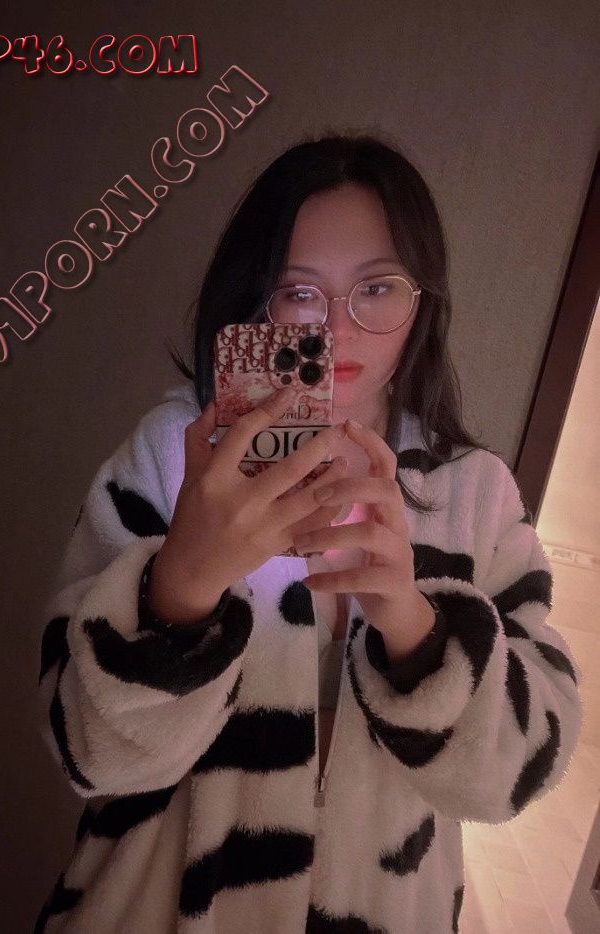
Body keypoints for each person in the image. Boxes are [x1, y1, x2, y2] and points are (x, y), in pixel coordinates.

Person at [34, 133, 584, 933]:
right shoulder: (173, 459)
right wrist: (181, 588)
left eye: (377, 287)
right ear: (257, 299)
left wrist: (416, 629)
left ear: (421, 303)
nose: (335, 327)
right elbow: (87, 754)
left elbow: (516, 775)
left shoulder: (473, 495)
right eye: (299, 292)